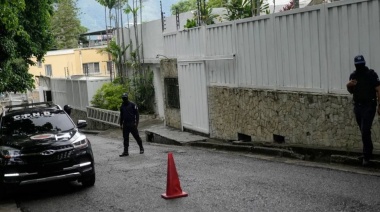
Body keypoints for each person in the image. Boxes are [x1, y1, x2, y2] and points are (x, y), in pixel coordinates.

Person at [346, 55, 380, 166]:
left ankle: (366, 156)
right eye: (358, 64)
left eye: (361, 64)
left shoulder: (371, 74)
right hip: (358, 106)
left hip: (369, 105)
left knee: (365, 130)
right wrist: (349, 85)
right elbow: (350, 91)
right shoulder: (353, 75)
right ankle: (367, 152)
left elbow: (378, 90)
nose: (359, 66)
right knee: (363, 130)